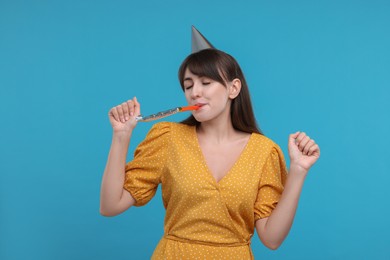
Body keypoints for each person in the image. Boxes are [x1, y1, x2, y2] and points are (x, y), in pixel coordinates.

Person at [100, 28, 320, 259]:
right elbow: (110, 205)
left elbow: (272, 239)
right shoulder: (168, 138)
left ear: (233, 88)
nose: (195, 93)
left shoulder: (264, 152)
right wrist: (121, 136)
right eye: (188, 85)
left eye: (206, 82)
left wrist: (298, 170)